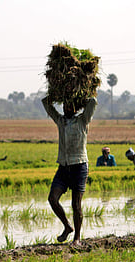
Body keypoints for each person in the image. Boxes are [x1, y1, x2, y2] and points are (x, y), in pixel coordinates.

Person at [42, 96, 97, 246]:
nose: (66, 108)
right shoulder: (61, 121)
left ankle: (77, 238)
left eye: (70, 106)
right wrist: (59, 92)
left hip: (79, 166)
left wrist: (80, 97)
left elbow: (92, 102)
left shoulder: (83, 120)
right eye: (65, 105)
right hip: (63, 166)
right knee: (53, 199)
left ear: (75, 108)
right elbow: (46, 103)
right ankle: (67, 226)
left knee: (76, 205)